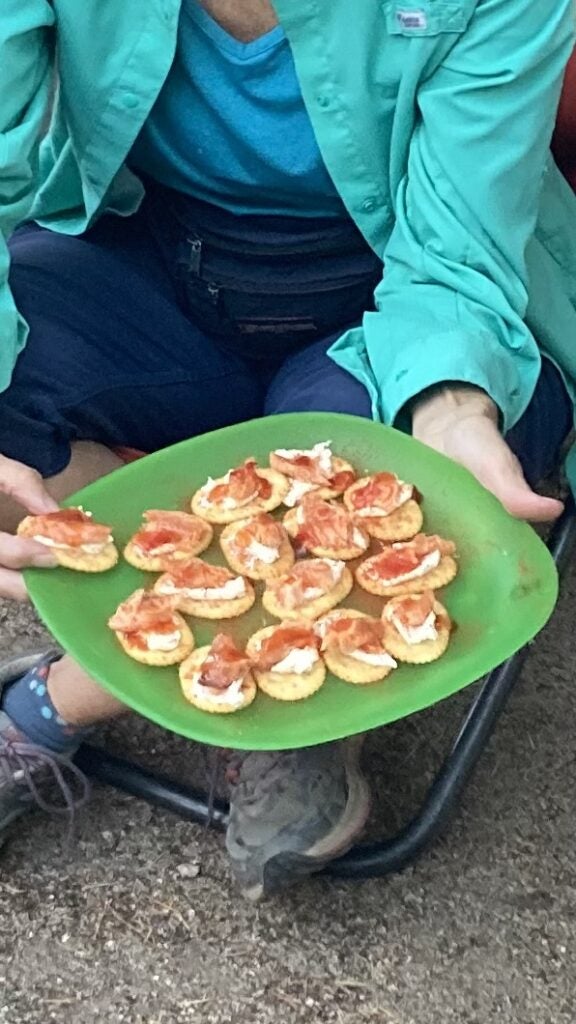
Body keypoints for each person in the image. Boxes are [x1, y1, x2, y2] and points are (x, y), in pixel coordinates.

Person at [0, 0, 575, 900]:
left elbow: (457, 260)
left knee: (371, 482)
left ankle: (67, 697)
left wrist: (452, 410)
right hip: (157, 260)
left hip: (408, 298)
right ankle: (251, 646)